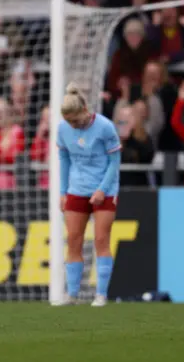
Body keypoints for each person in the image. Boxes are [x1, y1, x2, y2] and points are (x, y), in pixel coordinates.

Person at [58, 83, 121, 307]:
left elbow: (115, 162)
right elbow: (64, 159)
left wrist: (102, 189)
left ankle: (101, 295)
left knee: (101, 239)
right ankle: (72, 295)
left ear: (85, 109)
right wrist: (63, 191)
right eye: (69, 122)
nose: (73, 125)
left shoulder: (105, 127)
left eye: (75, 120)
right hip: (77, 188)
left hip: (105, 188)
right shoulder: (62, 129)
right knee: (73, 240)